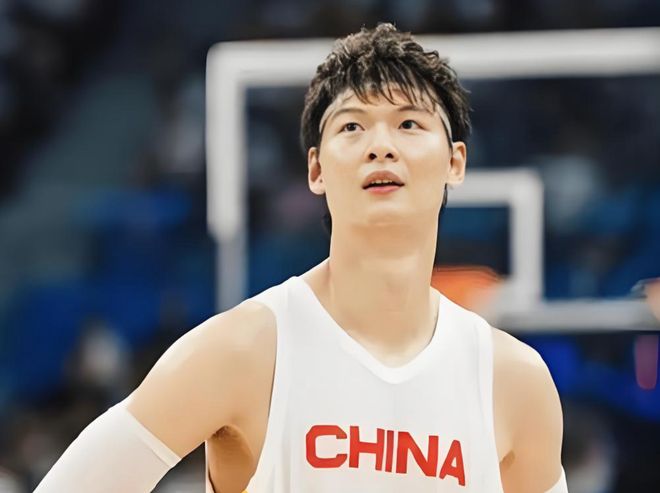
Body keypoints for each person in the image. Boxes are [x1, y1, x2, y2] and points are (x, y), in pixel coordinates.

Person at [35, 24, 567, 493]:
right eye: (352, 126)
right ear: (316, 170)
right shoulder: (241, 350)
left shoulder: (515, 382)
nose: (381, 146)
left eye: (409, 124)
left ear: (455, 162)